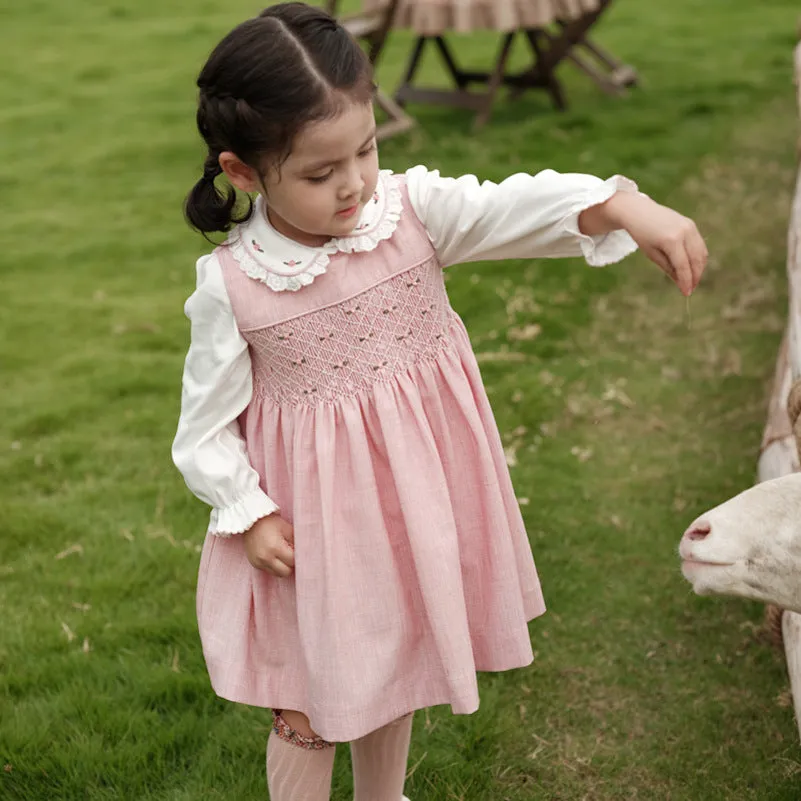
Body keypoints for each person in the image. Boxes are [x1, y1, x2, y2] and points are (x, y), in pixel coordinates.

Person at [171, 3, 707, 799]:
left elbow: (509, 206)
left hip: (415, 505)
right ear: (244, 171)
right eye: (320, 173)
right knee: (312, 703)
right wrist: (246, 510)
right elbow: (203, 427)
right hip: (313, 532)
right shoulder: (235, 283)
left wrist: (619, 204)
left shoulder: (408, 214)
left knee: (393, 672)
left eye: (366, 149)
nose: (354, 182)